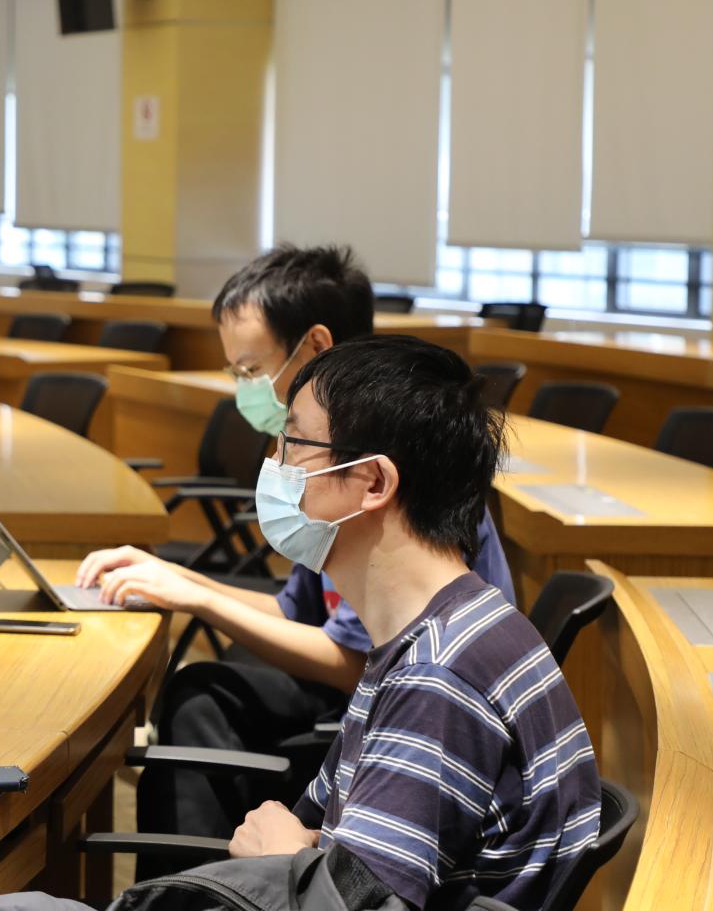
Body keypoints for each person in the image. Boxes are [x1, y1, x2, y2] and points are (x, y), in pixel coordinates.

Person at [0, 336, 600, 911]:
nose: (274, 464)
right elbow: (352, 864)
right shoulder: (445, 627)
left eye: (293, 443)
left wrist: (285, 857)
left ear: (371, 482)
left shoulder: (438, 679)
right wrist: (298, 854)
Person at [78, 244, 514, 853]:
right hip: (364, 716)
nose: (244, 391)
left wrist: (200, 601)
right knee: (213, 684)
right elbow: (297, 611)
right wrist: (179, 580)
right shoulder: (337, 477)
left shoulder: (376, 490)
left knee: (204, 697)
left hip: (372, 713)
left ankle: (193, 891)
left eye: (251, 369)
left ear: (314, 347)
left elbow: (364, 662)